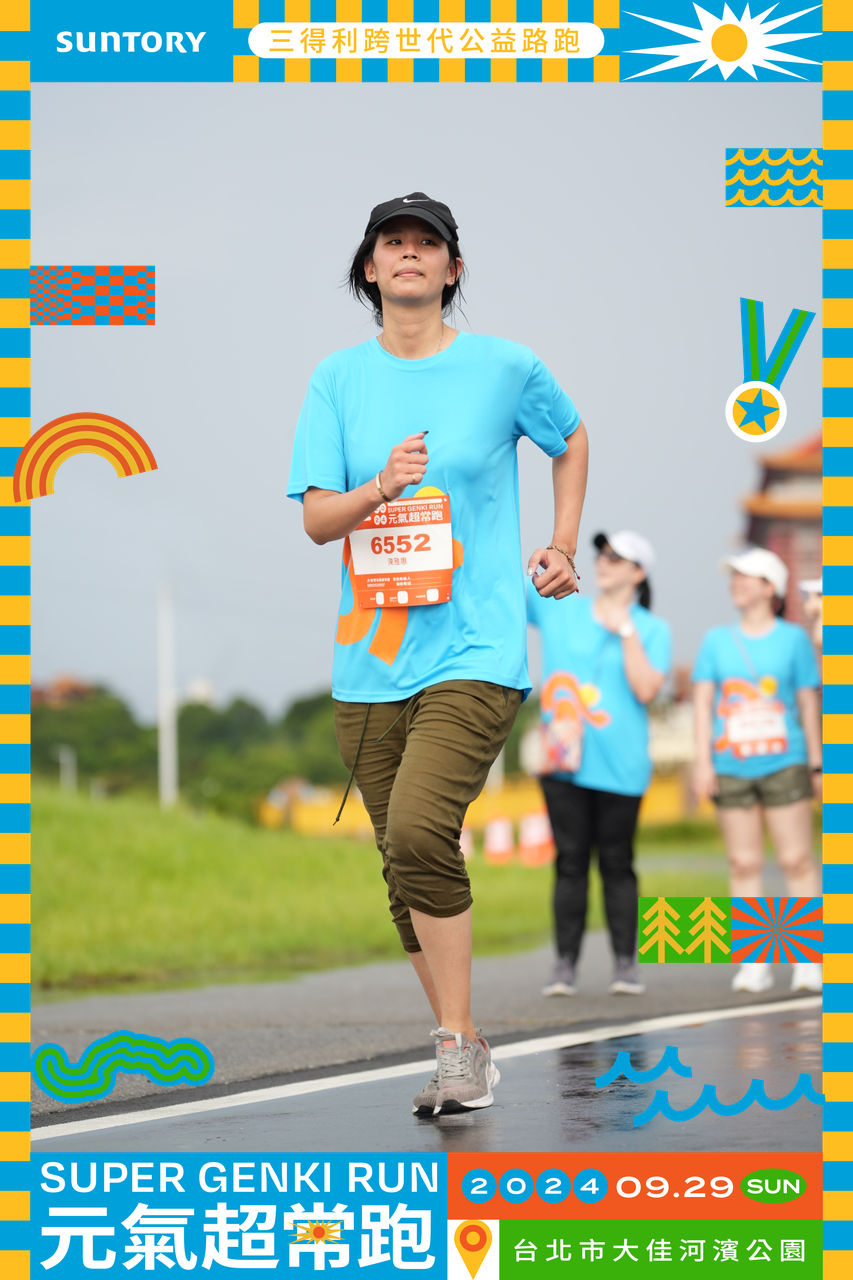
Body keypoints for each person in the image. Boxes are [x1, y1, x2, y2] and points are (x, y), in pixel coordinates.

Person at [287, 192, 588, 1116]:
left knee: (421, 831)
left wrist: (561, 543)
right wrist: (381, 486)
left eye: (428, 243)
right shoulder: (337, 380)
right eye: (394, 243)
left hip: (476, 647)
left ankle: (454, 1049)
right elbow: (316, 521)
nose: (410, 254)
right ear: (369, 268)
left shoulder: (504, 367)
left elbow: (570, 437)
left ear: (453, 269)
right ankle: (468, 1044)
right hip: (370, 661)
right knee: (401, 865)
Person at [528, 530, 670, 997]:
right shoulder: (561, 608)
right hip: (563, 762)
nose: (604, 562)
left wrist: (625, 629)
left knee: (617, 862)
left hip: (622, 766)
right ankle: (564, 966)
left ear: (638, 573)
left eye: (616, 557)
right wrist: (543, 559)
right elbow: (514, 587)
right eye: (602, 554)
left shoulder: (652, 629)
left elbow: (646, 689)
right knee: (569, 862)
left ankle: (625, 965)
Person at [692, 547, 822, 994]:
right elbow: (703, 705)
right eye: (734, 576)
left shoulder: (794, 640)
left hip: (786, 761)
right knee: (743, 862)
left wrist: (817, 762)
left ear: (771, 588)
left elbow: (807, 703)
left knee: (796, 859)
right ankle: (754, 961)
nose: (736, 583)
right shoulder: (715, 641)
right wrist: (703, 762)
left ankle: (807, 958)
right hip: (731, 764)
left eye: (746, 576)